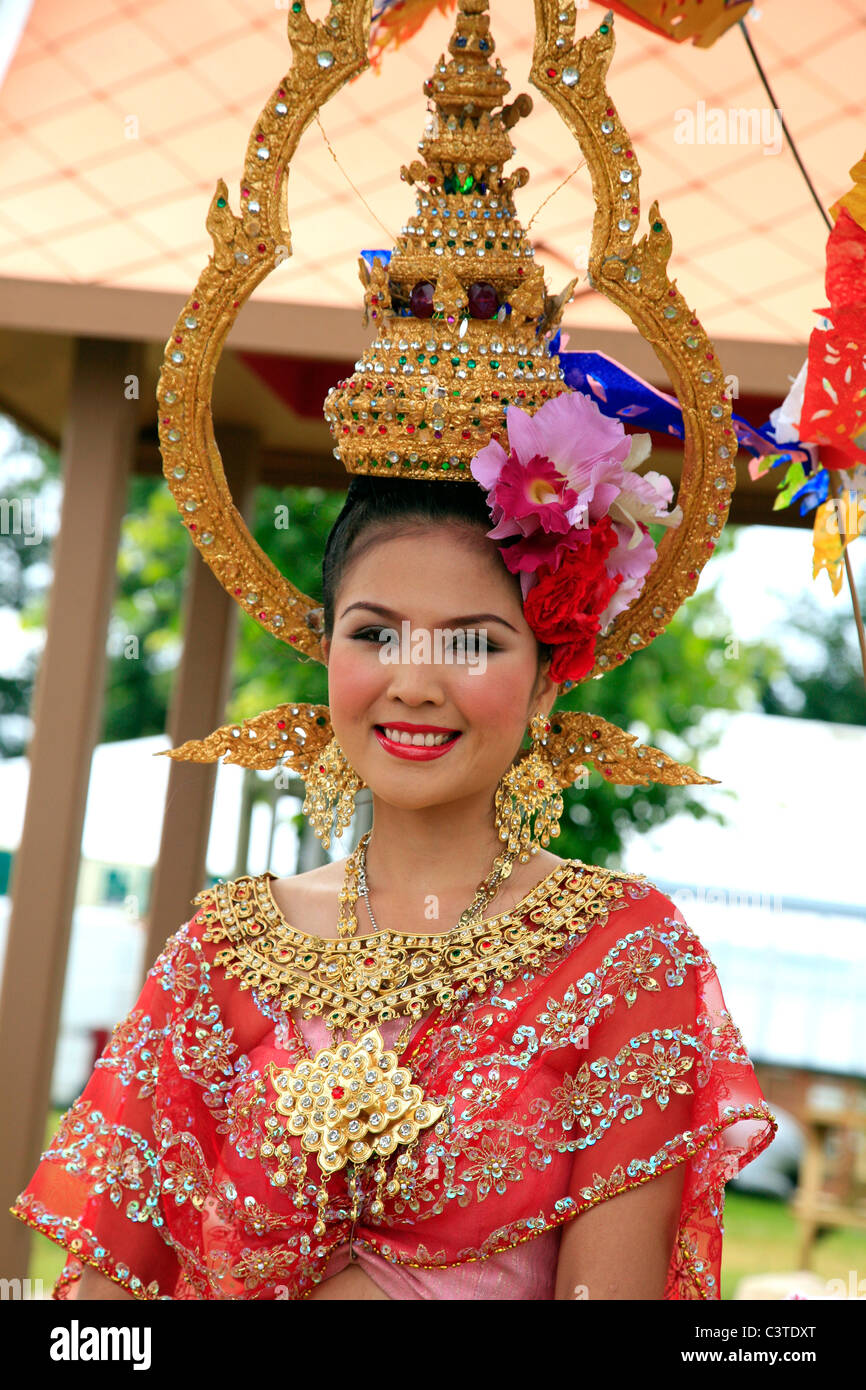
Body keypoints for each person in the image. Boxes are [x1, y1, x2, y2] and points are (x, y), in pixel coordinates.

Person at [10, 0, 776, 1299]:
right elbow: (98, 1317)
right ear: (324, 650)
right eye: (375, 631)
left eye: (470, 636)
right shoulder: (222, 956)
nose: (413, 675)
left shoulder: (627, 960)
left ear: (550, 659)